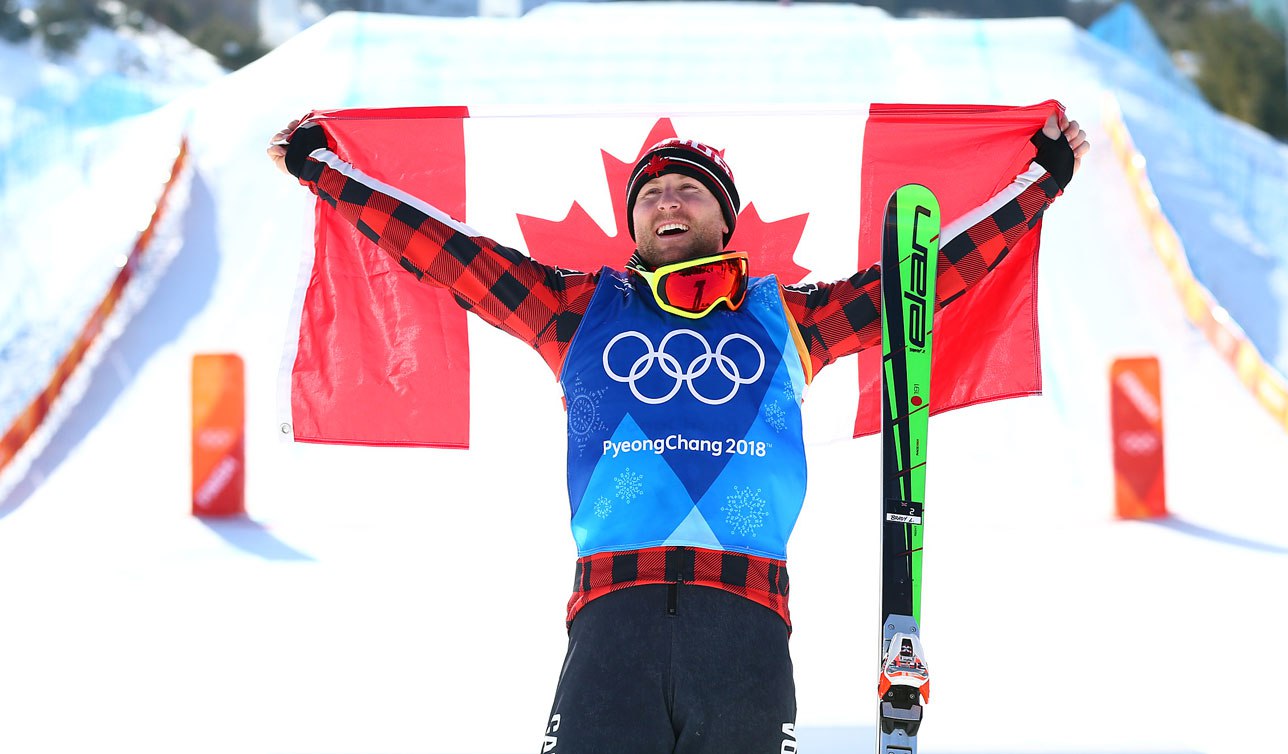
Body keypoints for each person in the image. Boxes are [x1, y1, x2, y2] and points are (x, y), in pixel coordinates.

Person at [268, 113, 1088, 752]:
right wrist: (329, 176)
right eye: (652, 194)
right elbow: (447, 253)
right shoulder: (577, 308)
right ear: (632, 224)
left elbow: (923, 281)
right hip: (611, 617)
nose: (668, 201)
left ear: (724, 219)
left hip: (747, 624)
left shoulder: (788, 320)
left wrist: (1038, 185)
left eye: (689, 190)